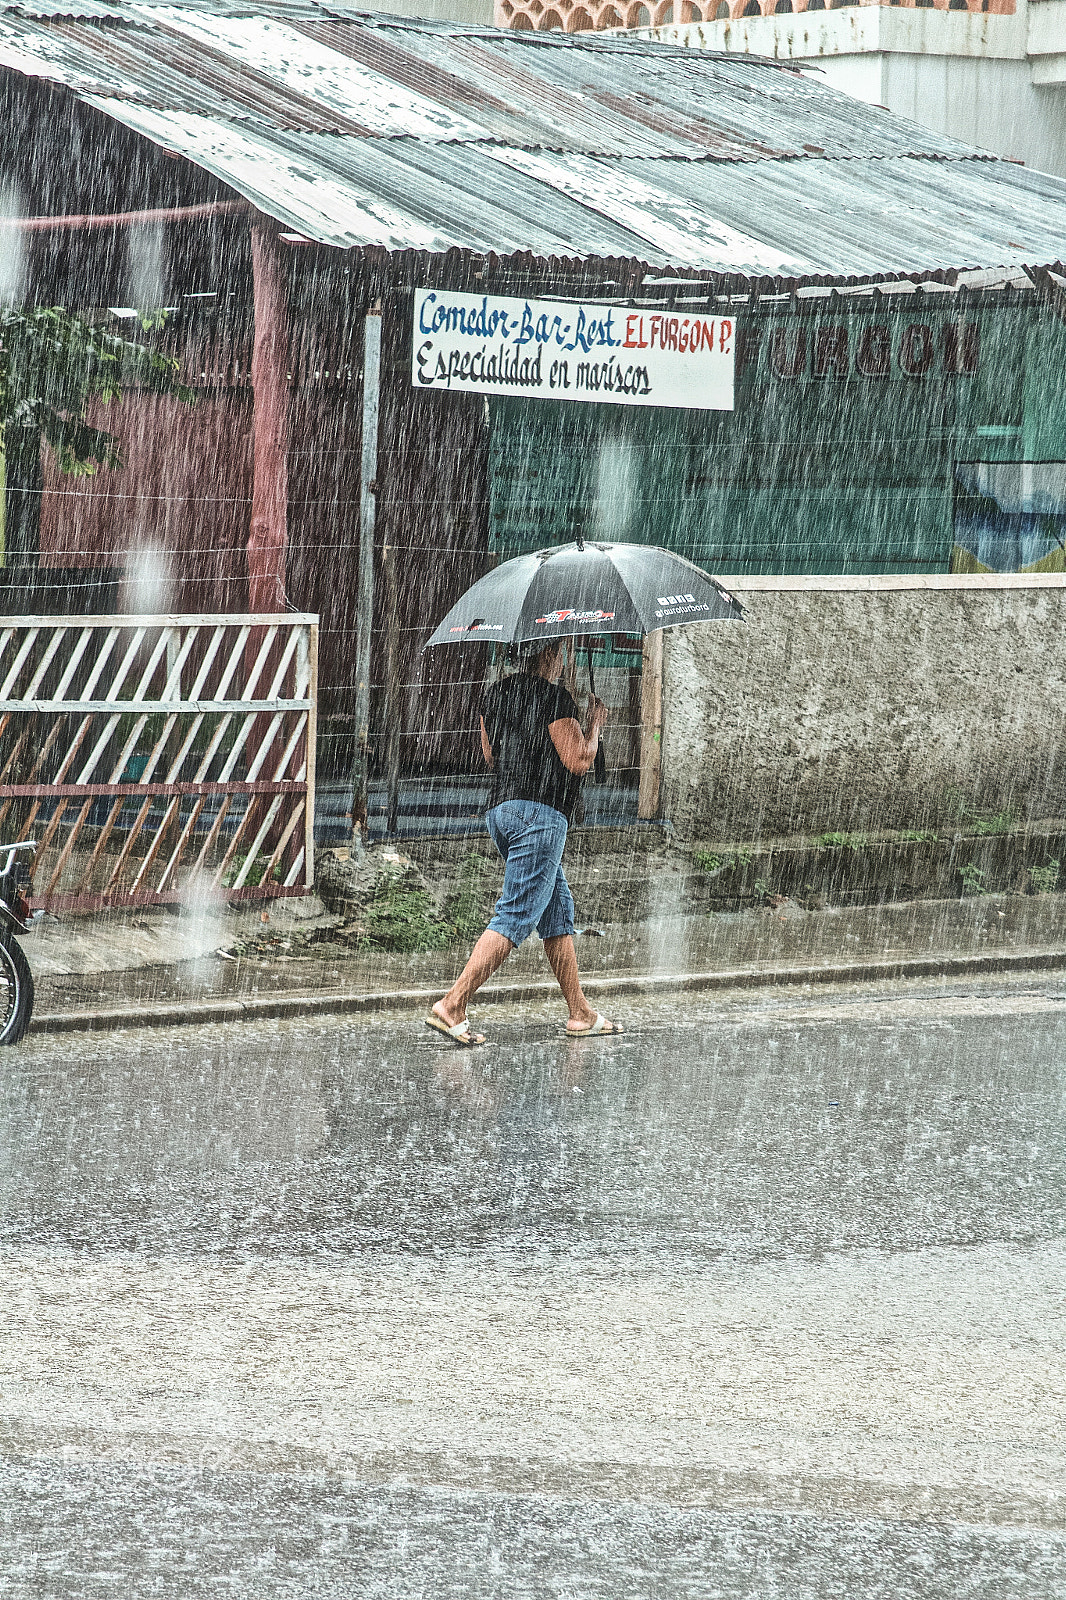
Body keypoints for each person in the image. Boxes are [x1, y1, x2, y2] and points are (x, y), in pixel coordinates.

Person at [427, 639, 624, 1047]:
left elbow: (489, 756)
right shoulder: (554, 698)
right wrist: (596, 724)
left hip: (502, 811)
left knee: (556, 910)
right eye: (562, 650)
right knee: (516, 914)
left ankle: (580, 1012)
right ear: (549, 654)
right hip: (541, 815)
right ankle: (453, 1004)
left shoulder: (495, 694)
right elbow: (579, 761)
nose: (565, 658)